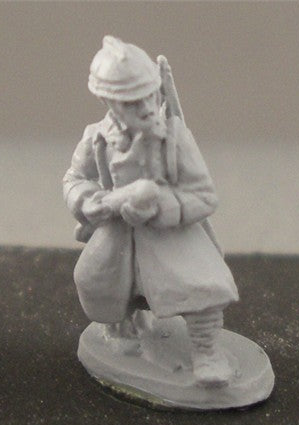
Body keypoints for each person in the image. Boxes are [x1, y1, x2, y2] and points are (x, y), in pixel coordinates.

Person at [63, 36, 239, 387]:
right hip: (117, 232)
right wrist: (91, 202)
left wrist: (159, 206)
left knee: (201, 286)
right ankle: (121, 328)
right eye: (131, 102)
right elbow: (75, 178)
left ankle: (206, 351)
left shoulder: (174, 138)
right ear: (108, 101)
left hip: (169, 234)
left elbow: (204, 196)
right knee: (96, 279)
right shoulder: (96, 138)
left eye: (149, 96)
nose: (145, 108)